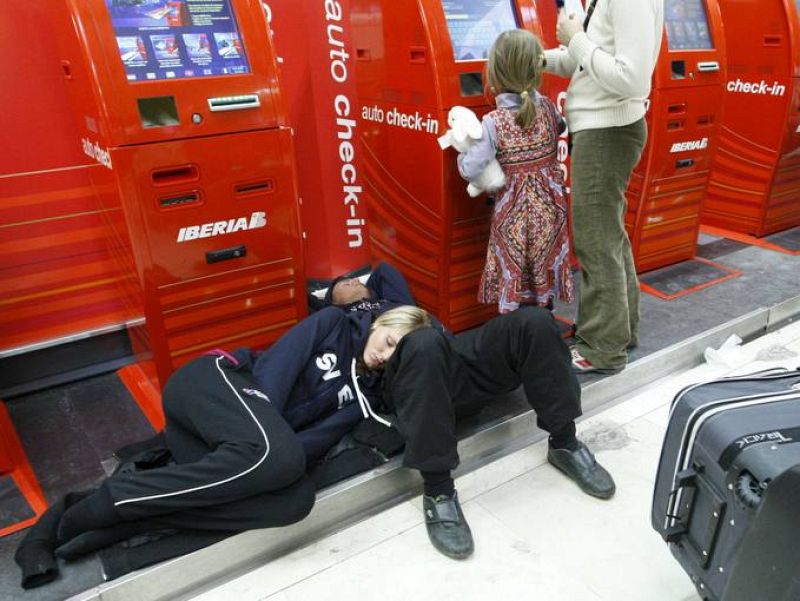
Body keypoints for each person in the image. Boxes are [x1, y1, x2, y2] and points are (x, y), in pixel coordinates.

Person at [14, 304, 430, 588]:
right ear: (381, 323)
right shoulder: (334, 323)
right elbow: (271, 378)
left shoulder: (363, 399)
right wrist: (269, 446)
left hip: (228, 447)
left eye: (396, 358)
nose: (383, 356)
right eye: (390, 342)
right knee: (277, 455)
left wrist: (271, 457)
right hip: (214, 386)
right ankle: (116, 501)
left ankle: (129, 515)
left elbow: (307, 449)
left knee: (297, 501)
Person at [325, 262, 615, 561]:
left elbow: (385, 270)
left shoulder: (395, 304)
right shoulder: (338, 320)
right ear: (333, 301)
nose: (350, 283)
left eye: (355, 281)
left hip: (453, 355)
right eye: (342, 286)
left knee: (534, 321)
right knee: (423, 343)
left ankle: (564, 443)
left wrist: (369, 287)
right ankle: (438, 491)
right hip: (406, 375)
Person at [543, 0, 664, 374]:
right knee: (609, 236)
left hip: (607, 131)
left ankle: (603, 349)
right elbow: (583, 63)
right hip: (601, 128)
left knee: (596, 240)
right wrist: (536, 57)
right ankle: (619, 333)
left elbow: (632, 78)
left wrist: (576, 38)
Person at [457, 29, 574, 314]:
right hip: (550, 212)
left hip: (515, 219)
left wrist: (462, 155)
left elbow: (471, 170)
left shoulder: (493, 122)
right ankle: (543, 318)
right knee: (541, 269)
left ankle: (518, 330)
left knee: (516, 269)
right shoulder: (548, 108)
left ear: (494, 74)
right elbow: (559, 129)